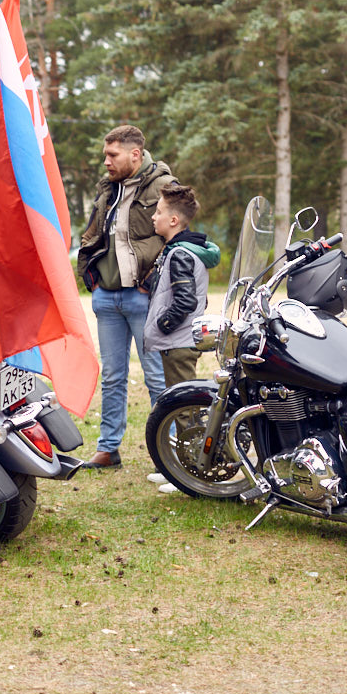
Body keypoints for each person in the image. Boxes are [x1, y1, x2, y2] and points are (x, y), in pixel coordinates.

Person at [76, 125, 172, 470]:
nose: (106, 162)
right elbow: (92, 234)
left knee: (157, 379)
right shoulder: (107, 189)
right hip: (108, 299)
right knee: (113, 377)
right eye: (105, 155)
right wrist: (92, 278)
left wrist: (151, 284)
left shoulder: (164, 186)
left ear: (135, 154)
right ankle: (108, 449)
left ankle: (170, 453)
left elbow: (176, 236)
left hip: (143, 299)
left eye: (112, 155)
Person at [142, 183, 220, 492]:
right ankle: (176, 465)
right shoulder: (178, 250)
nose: (153, 217)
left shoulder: (181, 254)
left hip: (178, 342)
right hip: (176, 341)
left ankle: (192, 473)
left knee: (185, 410)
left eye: (159, 212)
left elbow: (185, 300)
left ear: (174, 220)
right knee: (176, 404)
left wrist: (163, 323)